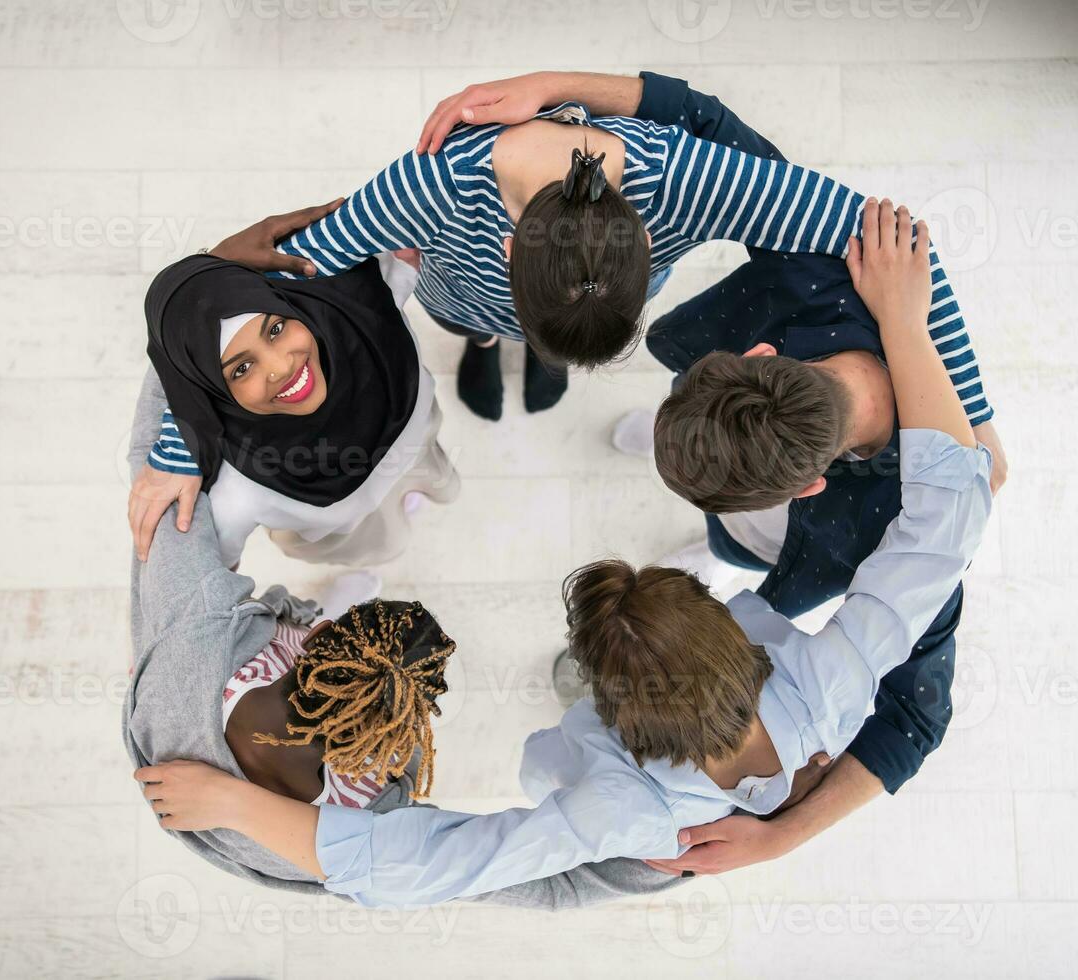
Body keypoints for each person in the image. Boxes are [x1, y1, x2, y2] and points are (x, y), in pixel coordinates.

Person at [134, 199, 996, 908]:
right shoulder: (829, 681)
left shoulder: (623, 807)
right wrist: (911, 330)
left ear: (618, 715)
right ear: (744, 651)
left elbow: (442, 866)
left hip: (334, 827)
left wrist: (205, 285)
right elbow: (953, 516)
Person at [210, 71, 991, 429]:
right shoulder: (422, 189)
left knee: (552, 337)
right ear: (510, 244)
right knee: (469, 319)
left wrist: (972, 416)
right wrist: (181, 444)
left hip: (565, 299)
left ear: (644, 240)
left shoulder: (693, 175)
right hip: (458, 293)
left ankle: (545, 346)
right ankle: (494, 337)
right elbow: (269, 294)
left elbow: (888, 244)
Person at [126, 209, 458, 589]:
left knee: (427, 482)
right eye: (241, 369)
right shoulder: (237, 492)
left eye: (276, 328)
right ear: (209, 390)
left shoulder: (355, 304)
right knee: (384, 537)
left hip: (418, 454)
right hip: (351, 531)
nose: (281, 367)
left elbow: (405, 214)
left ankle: (408, 494)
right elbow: (214, 581)